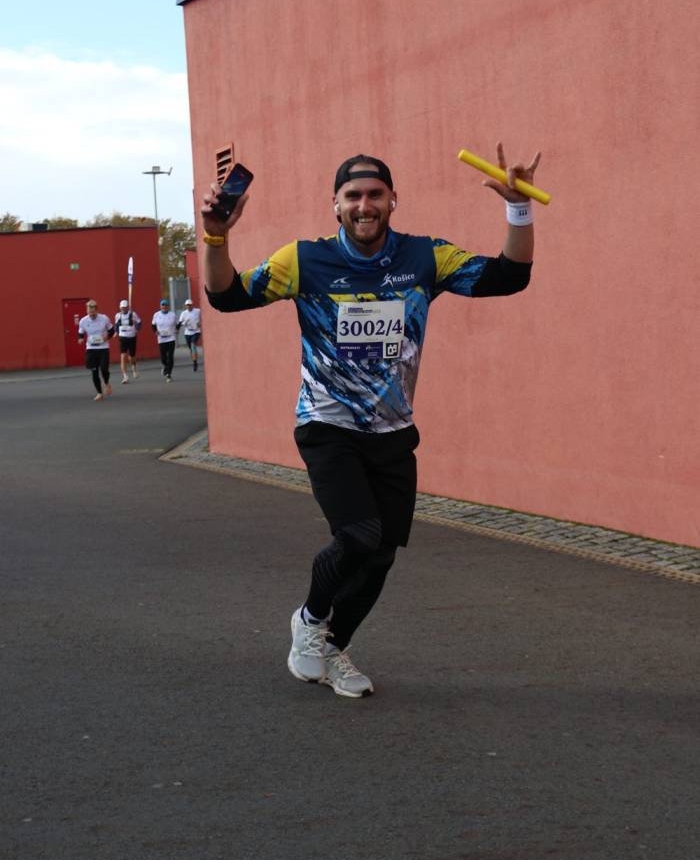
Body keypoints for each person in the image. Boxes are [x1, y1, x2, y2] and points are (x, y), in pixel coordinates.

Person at [201, 145, 539, 698]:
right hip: (326, 425)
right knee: (359, 536)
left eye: (375, 194)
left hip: (393, 431)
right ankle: (310, 619)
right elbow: (227, 297)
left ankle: (334, 649)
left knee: (381, 556)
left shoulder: (425, 257)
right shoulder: (303, 260)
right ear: (335, 205)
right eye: (353, 196)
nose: (364, 205)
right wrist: (216, 238)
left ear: (393, 200)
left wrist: (518, 209)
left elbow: (508, 277)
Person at [77, 299, 114, 401]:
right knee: (94, 371)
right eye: (89, 312)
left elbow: (112, 331)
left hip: (103, 348)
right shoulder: (83, 321)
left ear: (96, 310)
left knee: (104, 369)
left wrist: (106, 338)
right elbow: (80, 333)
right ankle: (99, 393)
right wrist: (80, 339)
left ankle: (106, 383)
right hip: (91, 348)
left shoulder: (104, 318)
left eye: (93, 312)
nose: (91, 314)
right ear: (87, 311)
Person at [114, 299, 142, 383]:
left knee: (132, 356)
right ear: (120, 308)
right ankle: (125, 376)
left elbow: (139, 323)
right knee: (123, 355)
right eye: (122, 307)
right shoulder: (118, 315)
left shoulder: (133, 314)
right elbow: (116, 325)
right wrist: (116, 332)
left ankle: (134, 368)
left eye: (125, 307)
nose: (123, 309)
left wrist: (136, 326)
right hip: (122, 337)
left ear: (128, 307)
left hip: (132, 336)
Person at [152, 298, 178, 381]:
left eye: (166, 305)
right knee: (163, 357)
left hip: (171, 338)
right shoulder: (156, 315)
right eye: (163, 305)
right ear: (160, 306)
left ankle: (169, 374)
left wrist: (177, 329)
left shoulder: (172, 315)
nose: (164, 306)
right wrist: (155, 331)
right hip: (161, 339)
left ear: (168, 306)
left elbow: (177, 324)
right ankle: (165, 366)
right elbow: (153, 325)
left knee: (170, 356)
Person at [179, 297, 202, 371]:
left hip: (196, 331)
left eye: (190, 305)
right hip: (187, 332)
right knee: (191, 348)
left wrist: (200, 323)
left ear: (192, 305)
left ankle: (195, 363)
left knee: (193, 345)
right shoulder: (183, 313)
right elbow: (180, 323)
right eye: (187, 305)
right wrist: (184, 323)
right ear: (185, 306)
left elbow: (205, 316)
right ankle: (194, 359)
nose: (189, 306)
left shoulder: (197, 311)